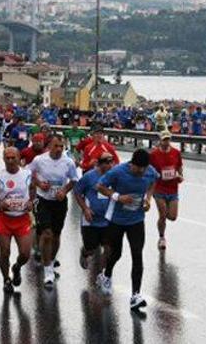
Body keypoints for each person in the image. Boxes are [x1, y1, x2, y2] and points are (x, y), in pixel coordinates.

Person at [96, 148, 158, 311]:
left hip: (136, 220)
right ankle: (106, 274)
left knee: (137, 254)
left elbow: (153, 183)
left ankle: (135, 295)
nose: (142, 172)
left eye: (144, 169)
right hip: (116, 219)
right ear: (132, 164)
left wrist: (148, 199)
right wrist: (118, 197)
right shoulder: (118, 172)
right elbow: (100, 186)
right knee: (116, 253)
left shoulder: (149, 171)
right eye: (139, 169)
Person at [29, 135, 79, 289]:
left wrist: (64, 190)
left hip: (59, 202)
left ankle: (50, 261)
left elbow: (74, 179)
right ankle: (48, 271)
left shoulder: (68, 162)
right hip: (43, 200)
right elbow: (29, 174)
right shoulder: (39, 160)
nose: (59, 149)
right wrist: (39, 183)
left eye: (61, 147)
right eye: (56, 146)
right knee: (47, 234)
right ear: (49, 146)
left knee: (56, 236)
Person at [0, 147, 36, 293]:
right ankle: (6, 280)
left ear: (18, 158)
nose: (10, 161)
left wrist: (31, 202)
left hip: (22, 219)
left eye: (13, 158)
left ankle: (16, 267)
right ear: (3, 159)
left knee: (25, 253)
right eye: (7, 158)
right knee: (5, 252)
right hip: (5, 219)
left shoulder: (27, 174)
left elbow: (33, 189)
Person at [74, 152, 115, 270]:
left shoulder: (114, 176)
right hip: (90, 220)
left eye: (111, 162)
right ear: (99, 164)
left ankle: (101, 274)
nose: (110, 165)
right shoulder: (89, 176)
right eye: (107, 163)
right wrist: (85, 209)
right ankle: (85, 252)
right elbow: (77, 192)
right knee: (91, 248)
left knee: (108, 248)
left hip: (108, 219)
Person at [149, 131, 183, 250]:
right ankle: (162, 238)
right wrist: (156, 176)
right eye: (164, 139)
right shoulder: (154, 154)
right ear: (160, 140)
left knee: (172, 217)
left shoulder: (176, 153)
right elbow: (149, 170)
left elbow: (179, 167)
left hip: (173, 188)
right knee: (162, 215)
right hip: (159, 188)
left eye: (168, 139)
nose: (166, 142)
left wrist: (180, 176)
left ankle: (163, 221)